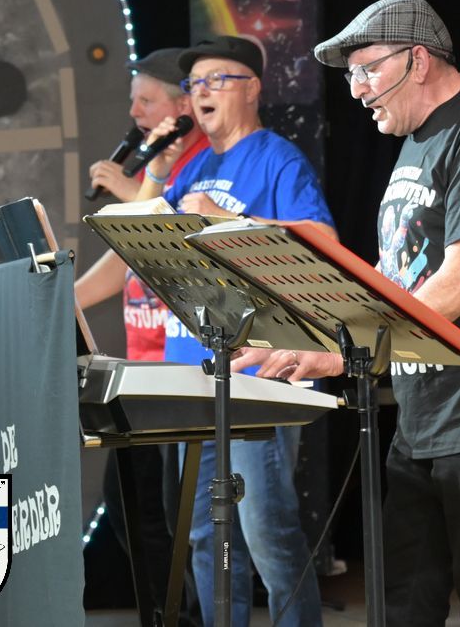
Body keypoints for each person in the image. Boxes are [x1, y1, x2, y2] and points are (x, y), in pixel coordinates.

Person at [237, 0, 460, 627]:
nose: (357, 90)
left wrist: (344, 351)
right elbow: (395, 275)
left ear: (418, 59)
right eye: (350, 75)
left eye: (367, 69)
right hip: (422, 416)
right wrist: (309, 333)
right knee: (402, 605)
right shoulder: (416, 141)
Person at [137, 34, 329, 627]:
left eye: (217, 79)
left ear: (253, 89)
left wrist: (231, 219)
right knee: (201, 535)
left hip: (253, 374)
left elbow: (323, 244)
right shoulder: (192, 166)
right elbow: (139, 246)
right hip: (192, 372)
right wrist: (157, 170)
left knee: (265, 531)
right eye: (194, 83)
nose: (203, 92)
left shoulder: (278, 159)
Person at [74, 46, 209, 626]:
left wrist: (133, 190)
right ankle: (170, 616)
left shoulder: (201, 161)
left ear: (183, 107)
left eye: (146, 100)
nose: (134, 113)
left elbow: (169, 234)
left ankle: (183, 617)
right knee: (134, 506)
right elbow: (129, 254)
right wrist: (65, 298)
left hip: (178, 364)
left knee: (164, 514)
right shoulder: (162, 166)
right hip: (144, 361)